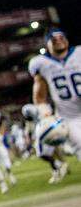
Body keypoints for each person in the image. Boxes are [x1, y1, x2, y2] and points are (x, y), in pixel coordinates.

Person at [29, 27, 81, 159]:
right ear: (47, 43)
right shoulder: (41, 63)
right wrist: (44, 112)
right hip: (70, 117)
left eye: (61, 37)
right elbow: (40, 96)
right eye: (54, 39)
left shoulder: (79, 53)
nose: (59, 41)